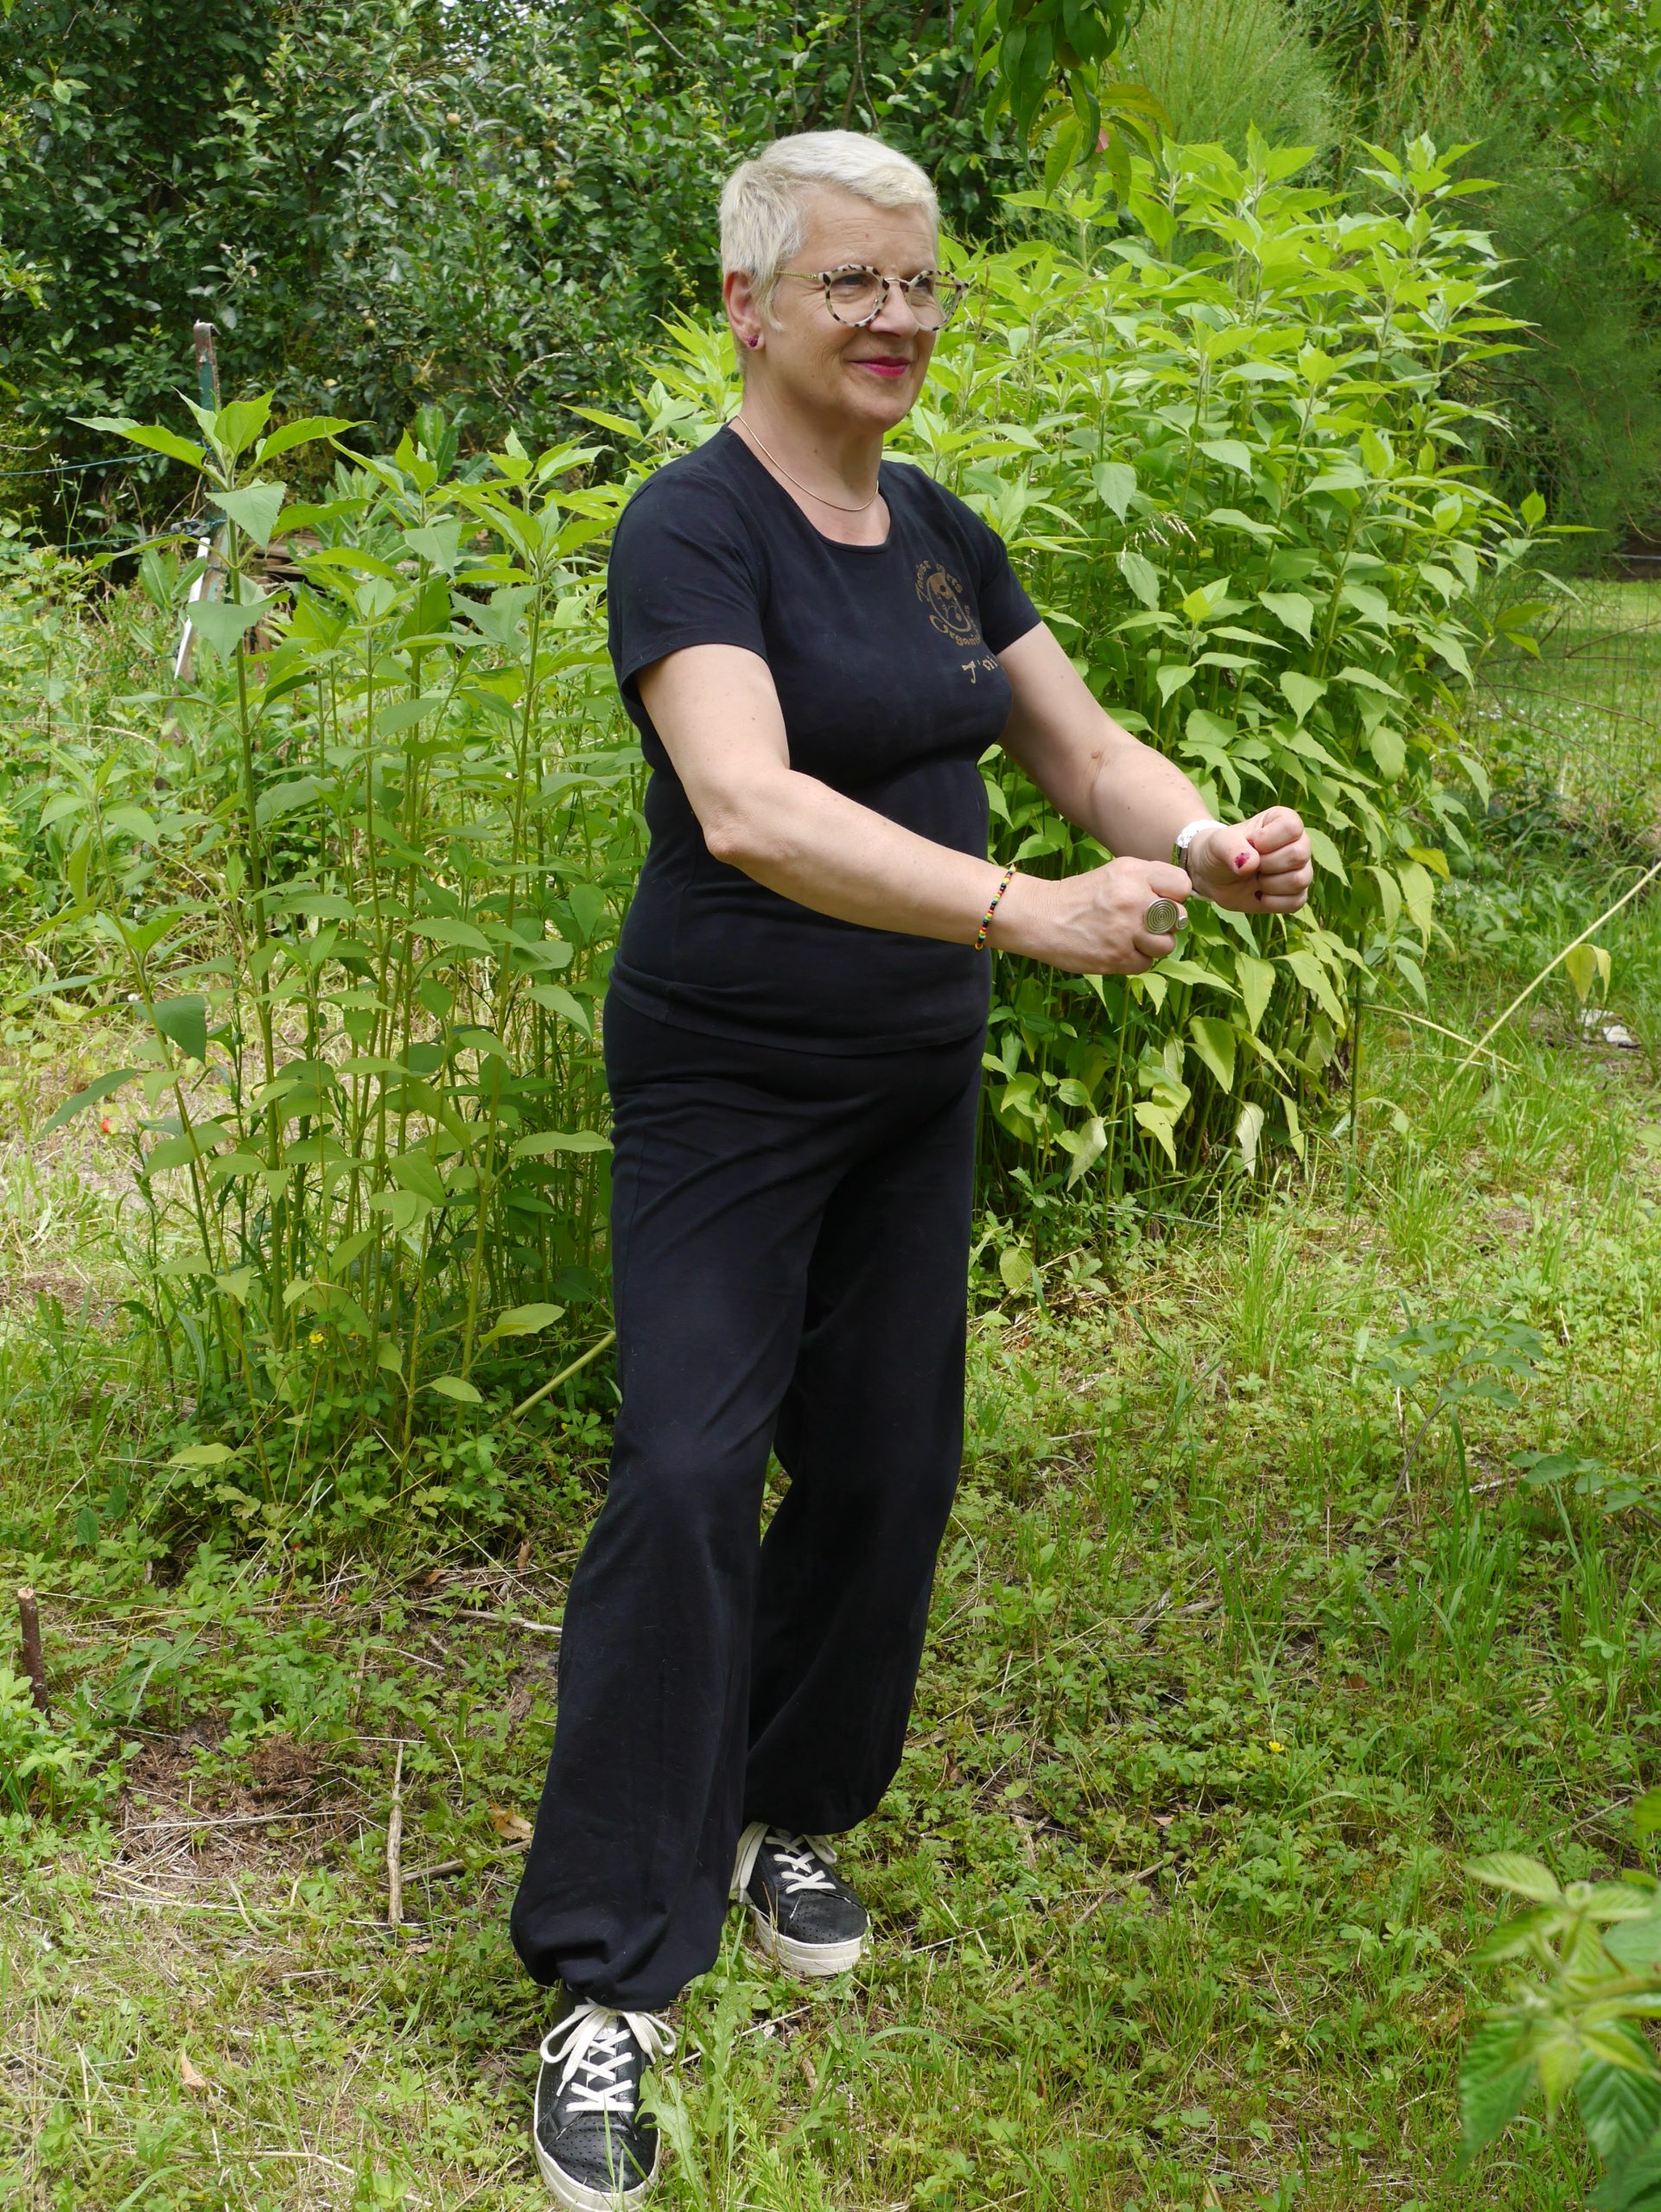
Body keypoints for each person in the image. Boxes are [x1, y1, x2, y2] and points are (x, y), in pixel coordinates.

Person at [509, 128, 1314, 2207]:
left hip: (905, 1080)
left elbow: (1079, 747)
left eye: (923, 283)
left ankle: (789, 1803)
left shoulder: (939, 531)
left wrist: (1204, 833)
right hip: (725, 1075)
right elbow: (749, 806)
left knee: (884, 1473)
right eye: (854, 284)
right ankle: (609, 1969)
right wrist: (1015, 911)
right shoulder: (691, 531)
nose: (896, 320)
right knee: (691, 1470)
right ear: (748, 308)